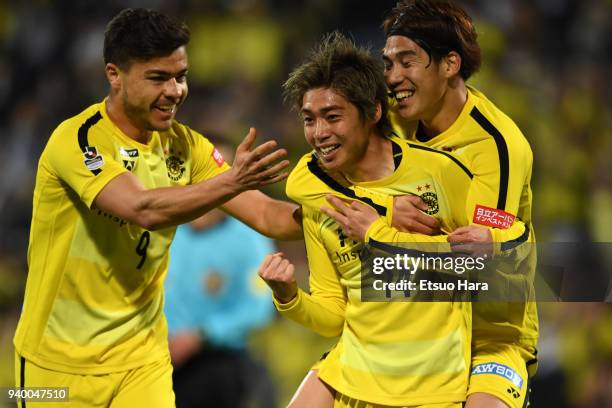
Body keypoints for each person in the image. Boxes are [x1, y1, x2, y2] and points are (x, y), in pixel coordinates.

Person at [12, 8, 301, 408]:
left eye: (180, 76)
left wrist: (361, 209)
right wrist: (231, 179)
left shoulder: (188, 147)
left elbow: (269, 216)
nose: (175, 91)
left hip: (141, 359)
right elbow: (141, 207)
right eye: (158, 78)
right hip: (58, 364)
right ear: (114, 74)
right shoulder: (77, 140)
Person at [290, 1, 538, 407]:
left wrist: (377, 232)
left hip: (488, 336)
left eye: (408, 61)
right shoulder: (394, 116)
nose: (393, 77)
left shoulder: (495, 147)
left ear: (449, 64)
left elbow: (474, 269)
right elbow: (306, 176)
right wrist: (385, 211)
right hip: (402, 332)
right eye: (388, 63)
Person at [260, 31, 479, 407]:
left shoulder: (440, 173)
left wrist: (380, 234)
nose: (319, 134)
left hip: (434, 392)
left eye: (332, 117)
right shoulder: (321, 198)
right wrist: (289, 297)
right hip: (355, 388)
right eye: (309, 120)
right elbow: (334, 314)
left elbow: (485, 266)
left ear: (374, 112)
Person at [164, 140, 277, 408]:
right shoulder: (161, 229)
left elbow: (257, 307)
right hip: (151, 357)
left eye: (220, 174)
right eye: (200, 172)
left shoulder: (250, 239)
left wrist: (200, 336)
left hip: (213, 362)